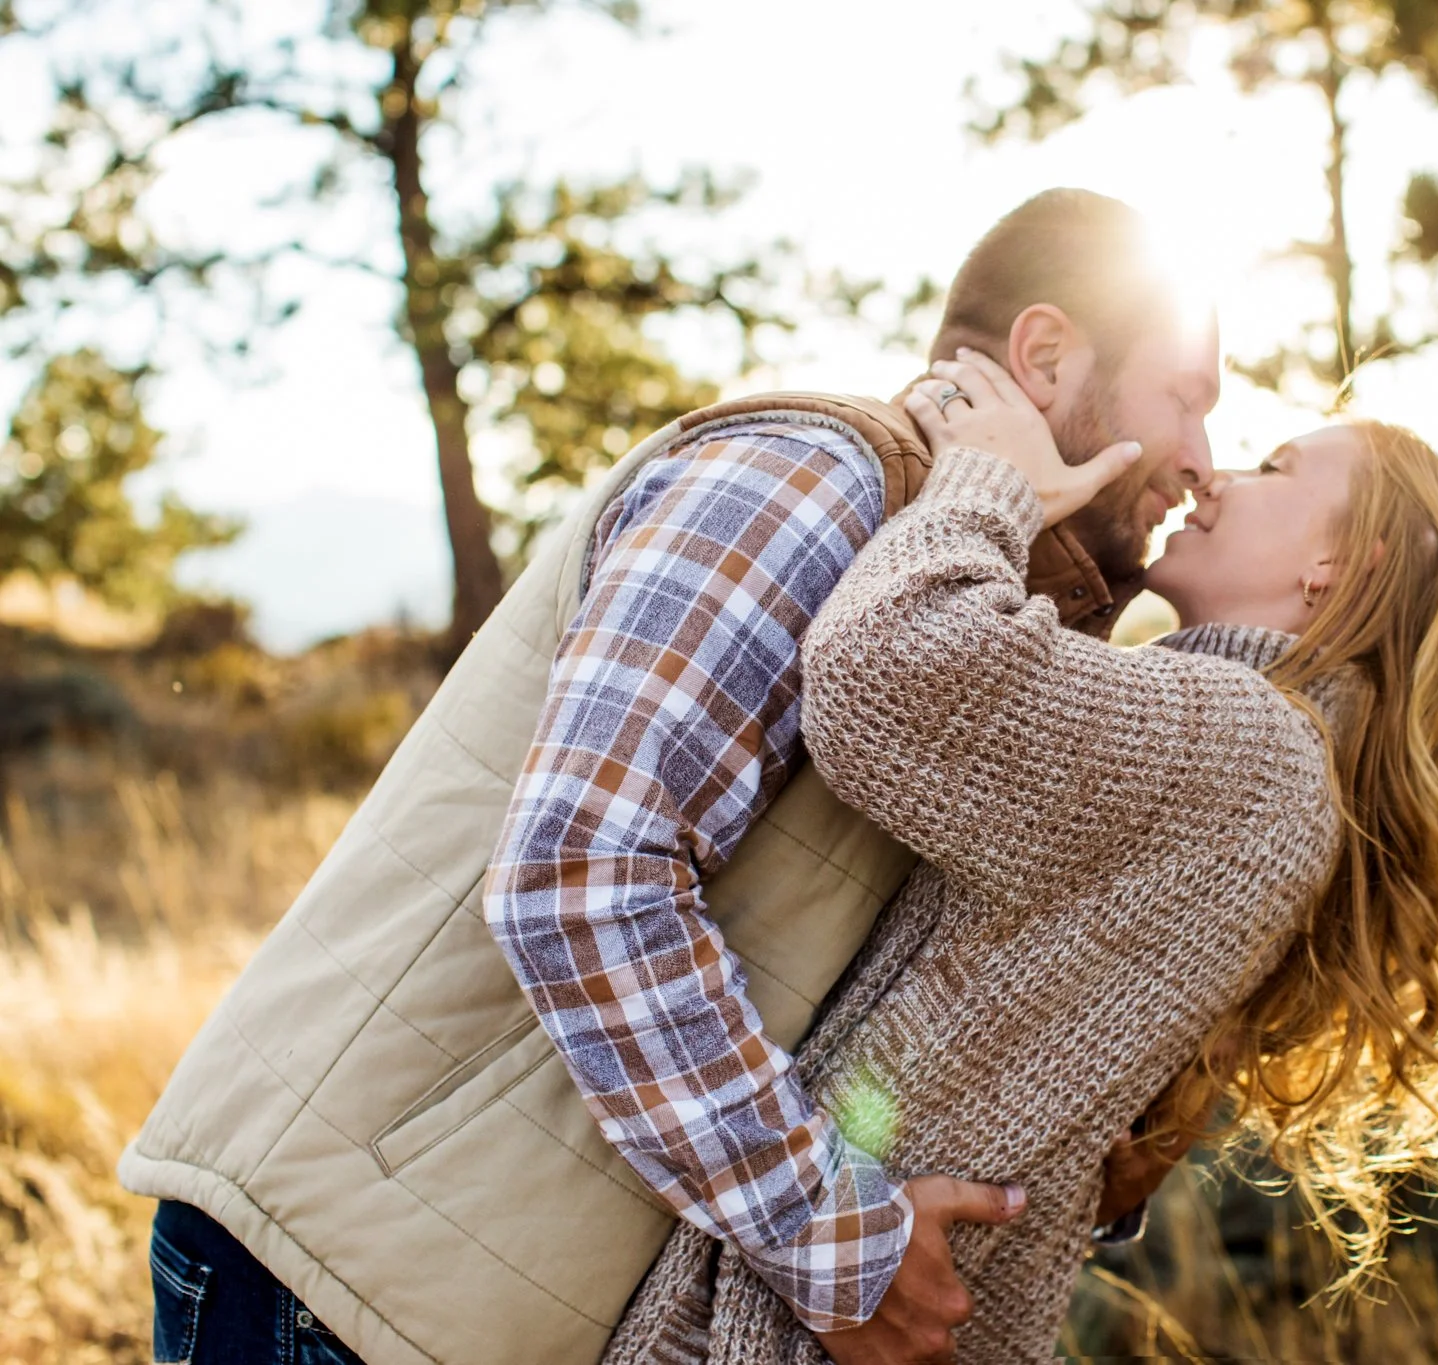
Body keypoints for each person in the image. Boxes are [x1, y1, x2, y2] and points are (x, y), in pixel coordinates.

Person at [120, 190, 1217, 1365]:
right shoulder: (820, 480)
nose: (1204, 462)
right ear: (1044, 355)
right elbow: (584, 870)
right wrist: (835, 1243)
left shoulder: (960, 596)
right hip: (353, 1283)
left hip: (487, 1297)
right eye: (1187, 398)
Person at [602, 351, 1438, 1363]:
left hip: (811, 1324)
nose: (1216, 475)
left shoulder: (1251, 746)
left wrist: (988, 481)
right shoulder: (1270, 761)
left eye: (1271, 465)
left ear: (1343, 565)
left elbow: (878, 675)